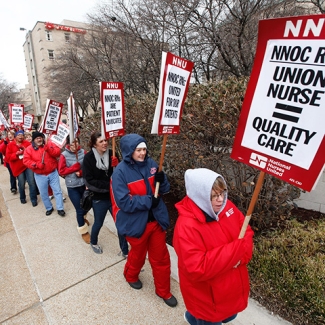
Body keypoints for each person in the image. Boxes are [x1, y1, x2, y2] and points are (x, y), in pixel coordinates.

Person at [173, 168, 254, 325]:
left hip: (229, 288)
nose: (220, 200)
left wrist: (241, 259)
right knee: (209, 319)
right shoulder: (186, 227)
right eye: (213, 196)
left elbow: (246, 232)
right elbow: (197, 267)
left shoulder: (227, 207)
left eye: (222, 193)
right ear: (200, 197)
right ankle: (194, 316)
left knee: (229, 316)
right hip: (206, 297)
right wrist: (235, 253)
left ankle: (191, 317)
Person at [111, 133, 177, 308]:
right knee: (137, 255)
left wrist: (162, 182)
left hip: (156, 222)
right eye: (138, 150)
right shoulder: (120, 173)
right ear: (129, 151)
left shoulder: (152, 164)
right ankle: (131, 275)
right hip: (136, 224)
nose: (142, 153)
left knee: (161, 258)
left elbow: (163, 189)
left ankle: (163, 291)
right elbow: (123, 202)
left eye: (144, 149)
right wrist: (149, 201)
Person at [82, 131, 118, 254]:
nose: (105, 143)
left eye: (105, 140)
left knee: (120, 222)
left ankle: (124, 249)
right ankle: (93, 241)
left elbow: (119, 174)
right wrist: (109, 186)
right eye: (101, 141)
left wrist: (117, 165)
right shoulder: (88, 158)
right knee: (98, 222)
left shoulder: (112, 153)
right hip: (99, 198)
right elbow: (89, 181)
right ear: (94, 145)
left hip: (114, 196)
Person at [23, 131, 65, 216]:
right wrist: (37, 165)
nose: (39, 139)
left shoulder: (49, 144)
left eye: (40, 137)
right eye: (37, 138)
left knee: (57, 191)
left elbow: (57, 153)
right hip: (40, 175)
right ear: (34, 140)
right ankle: (49, 208)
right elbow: (26, 161)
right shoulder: (29, 149)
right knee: (43, 193)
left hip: (52, 173)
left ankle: (60, 208)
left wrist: (48, 148)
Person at [59, 136, 90, 243]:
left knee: (87, 205)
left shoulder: (83, 152)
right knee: (79, 209)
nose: (74, 144)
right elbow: (61, 171)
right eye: (72, 142)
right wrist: (73, 168)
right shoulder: (64, 155)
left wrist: (81, 172)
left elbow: (88, 166)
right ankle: (83, 231)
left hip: (84, 184)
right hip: (73, 187)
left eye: (76, 142)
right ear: (68, 143)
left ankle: (83, 217)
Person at [5, 130, 38, 206]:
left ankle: (33, 199)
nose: (20, 136)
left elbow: (33, 152)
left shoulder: (27, 143)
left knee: (31, 182)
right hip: (18, 167)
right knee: (21, 183)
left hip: (27, 165)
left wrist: (26, 151)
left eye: (22, 135)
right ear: (15, 136)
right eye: (18, 135)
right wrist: (16, 154)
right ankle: (22, 198)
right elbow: (8, 157)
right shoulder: (10, 145)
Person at [0, 129, 18, 194]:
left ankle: (21, 183)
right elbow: (0, 149)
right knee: (12, 174)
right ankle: (13, 188)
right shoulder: (5, 141)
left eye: (11, 134)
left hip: (17, 160)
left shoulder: (17, 141)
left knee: (18, 174)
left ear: (14, 135)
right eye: (9, 134)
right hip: (9, 161)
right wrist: (4, 144)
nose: (10, 136)